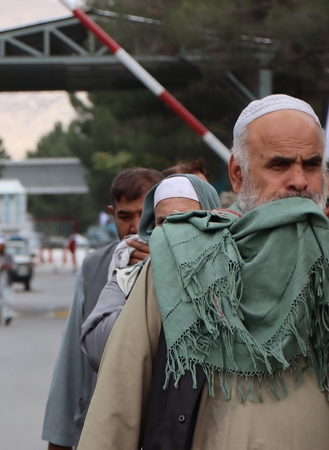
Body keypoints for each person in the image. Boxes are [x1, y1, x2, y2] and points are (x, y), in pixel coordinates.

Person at [79, 94, 329, 449]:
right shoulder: (182, 261)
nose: (300, 181)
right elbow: (118, 400)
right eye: (279, 165)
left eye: (313, 165)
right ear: (238, 175)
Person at [42, 167, 163, 450]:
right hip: (103, 423)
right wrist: (59, 439)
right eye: (125, 217)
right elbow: (73, 360)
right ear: (112, 215)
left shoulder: (185, 262)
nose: (135, 227)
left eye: (145, 216)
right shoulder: (95, 267)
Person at [80, 174, 221, 371]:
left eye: (188, 219)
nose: (174, 231)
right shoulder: (127, 279)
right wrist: (155, 281)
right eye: (164, 222)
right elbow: (97, 350)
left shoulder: (235, 274)